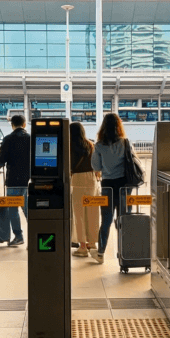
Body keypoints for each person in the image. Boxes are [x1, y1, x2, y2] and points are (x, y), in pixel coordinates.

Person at [91, 113, 133, 265]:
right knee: (124, 220)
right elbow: (132, 162)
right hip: (124, 187)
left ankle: (101, 253)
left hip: (108, 186)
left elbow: (96, 166)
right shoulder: (125, 142)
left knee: (106, 220)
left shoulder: (99, 145)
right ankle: (127, 253)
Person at [0, 114, 31, 247]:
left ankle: (18, 236)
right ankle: (34, 235)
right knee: (28, 209)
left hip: (13, 181)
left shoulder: (8, 139)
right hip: (28, 180)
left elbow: (1, 161)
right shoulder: (30, 139)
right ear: (24, 124)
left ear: (12, 125)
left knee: (13, 210)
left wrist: (0, 162)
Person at [70, 122, 100, 259]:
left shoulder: (69, 146)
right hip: (91, 180)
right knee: (93, 212)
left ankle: (82, 246)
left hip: (77, 180)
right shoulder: (90, 145)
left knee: (79, 214)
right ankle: (92, 243)